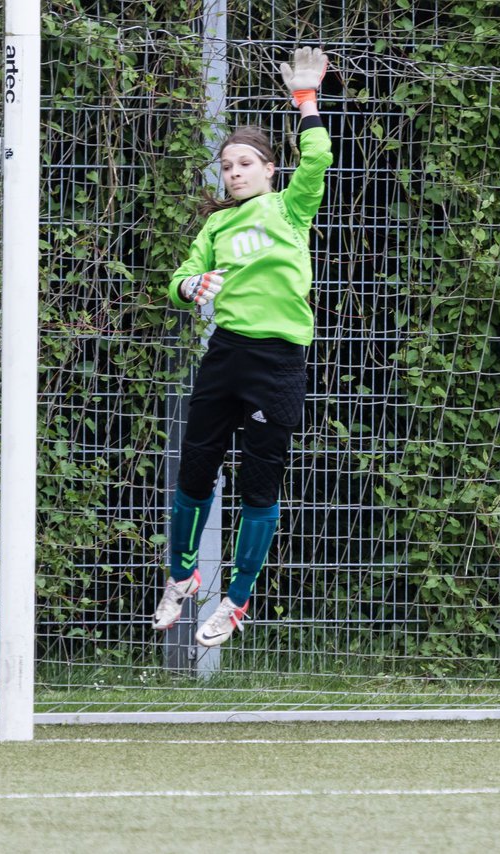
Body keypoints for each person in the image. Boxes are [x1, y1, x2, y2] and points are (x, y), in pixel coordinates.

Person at [150, 47, 333, 648]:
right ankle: (182, 576)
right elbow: (180, 278)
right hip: (226, 355)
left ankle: (235, 600)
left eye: (245, 163)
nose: (234, 173)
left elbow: (320, 156)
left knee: (259, 485)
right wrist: (188, 285)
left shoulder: (291, 208)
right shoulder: (216, 226)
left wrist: (305, 102)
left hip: (276, 363)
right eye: (226, 166)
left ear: (270, 170)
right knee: (194, 473)